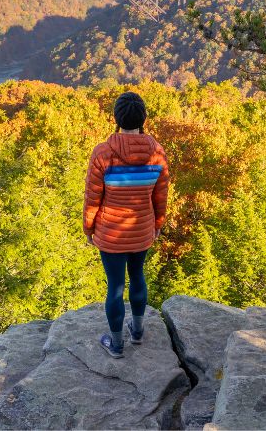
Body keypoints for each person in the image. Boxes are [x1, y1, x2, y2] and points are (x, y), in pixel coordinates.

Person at [83, 91, 170, 358]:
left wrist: (89, 229)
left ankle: (117, 343)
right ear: (143, 118)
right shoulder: (157, 153)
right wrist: (157, 224)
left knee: (115, 287)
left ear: (116, 118)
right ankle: (138, 331)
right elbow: (161, 195)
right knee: (138, 276)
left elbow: (92, 197)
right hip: (141, 229)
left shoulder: (103, 153)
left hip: (110, 234)